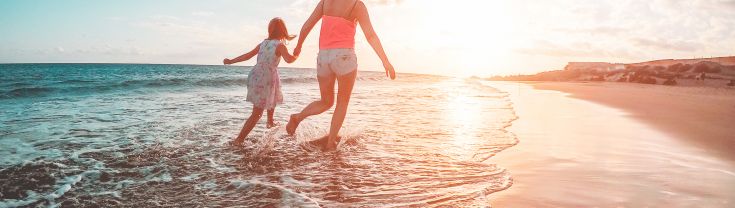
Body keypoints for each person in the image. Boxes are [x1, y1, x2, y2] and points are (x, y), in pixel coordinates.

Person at [286, 0, 396, 151]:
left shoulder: (325, 2)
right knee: (342, 102)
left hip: (323, 57)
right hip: (344, 57)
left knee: (326, 101)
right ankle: (330, 143)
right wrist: (385, 61)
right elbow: (370, 35)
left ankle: (297, 118)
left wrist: (298, 46)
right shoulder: (357, 4)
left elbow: (307, 26)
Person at [223, 18, 299, 146]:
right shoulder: (280, 46)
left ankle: (270, 121)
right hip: (267, 77)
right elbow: (289, 60)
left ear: (270, 30)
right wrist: (296, 54)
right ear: (283, 31)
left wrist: (231, 61)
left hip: (256, 75)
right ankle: (239, 139)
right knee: (257, 113)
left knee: (272, 96)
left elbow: (247, 55)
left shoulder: (263, 44)